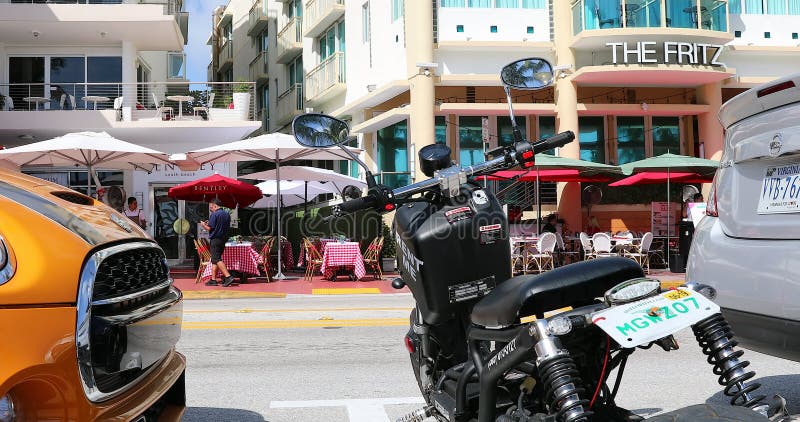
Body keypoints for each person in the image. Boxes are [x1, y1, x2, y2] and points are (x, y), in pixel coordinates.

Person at [200, 198, 235, 287]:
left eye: (211, 207)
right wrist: (209, 222)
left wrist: (203, 225)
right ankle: (213, 279)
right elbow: (218, 225)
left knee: (216, 259)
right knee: (215, 259)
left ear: (215, 206)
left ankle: (228, 276)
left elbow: (209, 228)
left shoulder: (214, 214)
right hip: (223, 239)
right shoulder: (227, 214)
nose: (211, 209)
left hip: (216, 239)